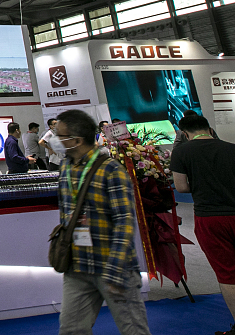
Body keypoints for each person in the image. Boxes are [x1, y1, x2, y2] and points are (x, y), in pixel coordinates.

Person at [54, 109, 150, 335]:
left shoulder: (111, 170)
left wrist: (116, 269)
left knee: (134, 330)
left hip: (113, 267)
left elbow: (124, 222)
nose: (55, 140)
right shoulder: (66, 166)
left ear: (77, 140)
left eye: (60, 136)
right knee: (71, 330)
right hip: (77, 266)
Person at [171, 113, 235, 335]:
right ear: (209, 129)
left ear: (185, 134)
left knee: (227, 276)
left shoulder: (181, 152)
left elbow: (181, 187)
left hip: (210, 219)